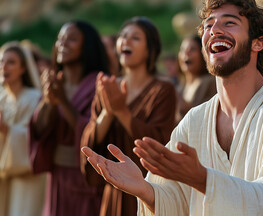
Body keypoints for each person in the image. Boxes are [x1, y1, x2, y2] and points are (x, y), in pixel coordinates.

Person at [82, 0, 263, 215]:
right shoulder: (195, 121)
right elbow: (178, 202)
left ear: (257, 42)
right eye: (209, 25)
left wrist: (203, 180)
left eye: (229, 23)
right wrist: (145, 190)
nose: (215, 30)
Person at [80, 17, 177, 216]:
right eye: (123, 36)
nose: (126, 41)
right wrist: (108, 111)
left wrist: (122, 112)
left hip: (146, 188)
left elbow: (159, 140)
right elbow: (90, 140)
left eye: (135, 38)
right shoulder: (107, 88)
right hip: (113, 190)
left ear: (150, 49)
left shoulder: (162, 90)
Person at [29, 20, 109, 216]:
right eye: (60, 39)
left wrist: (63, 101)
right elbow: (39, 129)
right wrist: (49, 100)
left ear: (87, 46)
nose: (63, 44)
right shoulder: (56, 81)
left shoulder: (99, 84)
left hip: (85, 177)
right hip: (57, 176)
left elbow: (91, 133)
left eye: (72, 39)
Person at [0, 42, 45, 216]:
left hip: (27, 175)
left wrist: (6, 129)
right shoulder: (1, 97)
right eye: (2, 61)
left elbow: (37, 138)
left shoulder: (34, 99)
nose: (4, 66)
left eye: (11, 62)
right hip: (3, 175)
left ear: (23, 68)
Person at [176, 35, 216, 122]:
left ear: (203, 54)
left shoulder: (210, 81)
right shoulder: (181, 86)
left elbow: (207, 116)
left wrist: (183, 105)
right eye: (183, 50)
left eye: (192, 49)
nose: (186, 54)